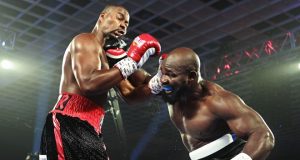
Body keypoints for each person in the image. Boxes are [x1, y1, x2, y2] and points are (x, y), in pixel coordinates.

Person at [39, 4, 161, 160]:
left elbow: (129, 94)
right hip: (68, 121)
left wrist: (158, 82)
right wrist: (130, 62)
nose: (123, 24)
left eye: (127, 23)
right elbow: (88, 83)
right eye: (120, 17)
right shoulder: (85, 40)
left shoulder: (109, 59)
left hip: (90, 127)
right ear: (102, 17)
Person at [157, 47, 275, 160]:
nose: (163, 80)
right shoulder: (171, 88)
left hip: (228, 155)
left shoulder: (218, 100)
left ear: (191, 77)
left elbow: (263, 134)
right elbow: (141, 82)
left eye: (172, 75)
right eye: (163, 73)